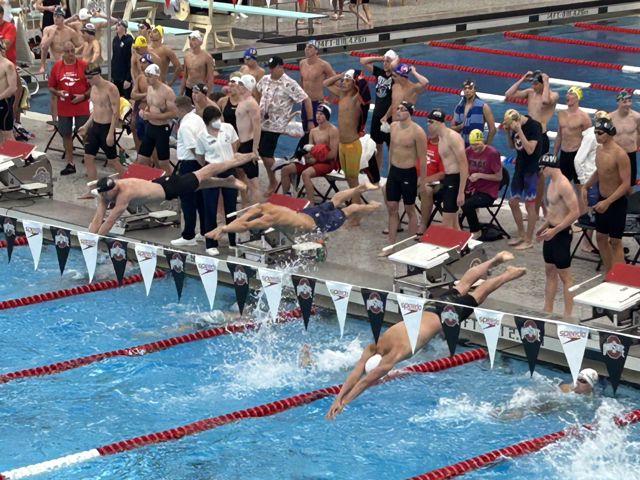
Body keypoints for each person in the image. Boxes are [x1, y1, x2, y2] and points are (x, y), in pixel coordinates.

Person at [326, 251, 526, 419]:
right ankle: (495, 260)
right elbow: (357, 373)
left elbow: (364, 381)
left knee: (478, 295)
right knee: (463, 284)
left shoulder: (392, 357)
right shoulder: (376, 345)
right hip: (431, 306)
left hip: (446, 316)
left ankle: (507, 274)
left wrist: (344, 402)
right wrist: (339, 398)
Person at [87, 157, 253, 236]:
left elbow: (109, 221)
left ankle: (237, 160)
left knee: (205, 172)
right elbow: (98, 217)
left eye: (115, 187)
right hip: (162, 184)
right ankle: (227, 181)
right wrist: (89, 237)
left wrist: (95, 241)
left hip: (170, 188)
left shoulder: (124, 194)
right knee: (199, 184)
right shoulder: (106, 194)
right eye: (111, 190)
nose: (115, 188)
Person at [206, 183, 381, 240]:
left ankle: (372, 206)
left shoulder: (269, 219)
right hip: (309, 213)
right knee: (334, 201)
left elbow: (245, 225)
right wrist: (223, 228)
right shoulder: (263, 206)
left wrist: (224, 228)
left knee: (349, 210)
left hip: (318, 224)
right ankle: (359, 188)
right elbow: (244, 219)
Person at [257, 56, 313, 195]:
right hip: (261, 123)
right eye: (270, 67)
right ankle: (283, 172)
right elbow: (257, 92)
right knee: (262, 153)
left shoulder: (289, 83)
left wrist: (310, 120)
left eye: (273, 67)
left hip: (276, 125)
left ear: (281, 66)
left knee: (265, 153)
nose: (271, 70)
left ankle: (277, 178)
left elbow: (306, 100)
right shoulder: (265, 79)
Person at [505, 70, 559, 215]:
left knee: (539, 175)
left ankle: (538, 209)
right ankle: (540, 207)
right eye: (532, 83)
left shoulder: (553, 95)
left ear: (542, 84)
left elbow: (545, 101)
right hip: (528, 135)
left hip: (541, 137)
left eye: (535, 83)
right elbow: (509, 94)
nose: (533, 86)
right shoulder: (530, 92)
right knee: (528, 172)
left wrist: (546, 81)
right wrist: (523, 78)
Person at [582, 117, 631, 272]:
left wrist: (608, 202)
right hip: (602, 200)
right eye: (595, 132)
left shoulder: (620, 155)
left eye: (600, 133)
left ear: (609, 134)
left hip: (616, 203)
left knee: (615, 241)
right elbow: (600, 171)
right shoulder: (599, 150)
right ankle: (610, 273)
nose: (597, 136)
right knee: (600, 238)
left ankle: (621, 277)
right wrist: (586, 186)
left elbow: (626, 184)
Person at [196, 106, 244, 256]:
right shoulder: (202, 136)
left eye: (219, 117)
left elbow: (235, 144)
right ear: (207, 122)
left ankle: (233, 241)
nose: (218, 121)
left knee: (231, 207)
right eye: (215, 119)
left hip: (229, 169)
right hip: (212, 171)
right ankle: (211, 243)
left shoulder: (228, 128)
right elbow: (200, 157)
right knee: (210, 207)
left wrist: (230, 160)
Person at [536, 154, 580, 318]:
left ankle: (568, 315)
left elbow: (575, 213)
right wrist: (544, 227)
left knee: (565, 276)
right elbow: (554, 210)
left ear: (549, 167)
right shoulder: (552, 182)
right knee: (549, 271)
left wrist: (555, 230)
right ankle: (547, 309)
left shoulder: (564, 185)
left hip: (561, 234)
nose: (541, 172)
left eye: (542, 169)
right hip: (551, 231)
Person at [381, 101, 426, 255]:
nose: (398, 111)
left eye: (402, 109)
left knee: (410, 209)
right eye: (398, 108)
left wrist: (422, 181)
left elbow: (423, 159)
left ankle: (411, 249)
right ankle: (391, 246)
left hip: (409, 174)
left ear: (410, 113)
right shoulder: (393, 126)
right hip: (394, 173)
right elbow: (392, 150)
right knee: (392, 208)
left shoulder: (418, 132)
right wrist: (389, 172)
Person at [279, 103, 339, 205]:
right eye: (317, 114)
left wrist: (316, 159)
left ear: (327, 116)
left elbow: (333, 154)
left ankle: (311, 205)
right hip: (314, 161)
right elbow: (309, 150)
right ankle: (286, 199)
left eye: (321, 114)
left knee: (305, 174)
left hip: (327, 163)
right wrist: (304, 156)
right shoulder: (313, 131)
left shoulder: (333, 130)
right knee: (285, 170)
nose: (318, 116)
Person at [323, 69, 366, 205]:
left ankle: (356, 207)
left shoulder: (356, 99)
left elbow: (364, 90)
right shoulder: (341, 95)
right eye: (343, 80)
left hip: (352, 145)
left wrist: (358, 78)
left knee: (353, 179)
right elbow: (326, 83)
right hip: (342, 145)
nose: (343, 83)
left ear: (354, 83)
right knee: (348, 178)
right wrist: (340, 75)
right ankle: (355, 203)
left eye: (347, 80)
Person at [504, 109, 544, 250]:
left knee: (530, 205)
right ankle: (521, 234)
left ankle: (529, 239)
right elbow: (511, 146)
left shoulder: (534, 126)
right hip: (520, 168)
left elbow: (530, 150)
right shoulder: (514, 125)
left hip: (531, 170)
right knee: (513, 202)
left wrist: (519, 130)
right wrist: (508, 132)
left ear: (518, 120)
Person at [170, 95, 207, 248]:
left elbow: (192, 147)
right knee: (200, 200)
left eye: (175, 109)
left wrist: (201, 163)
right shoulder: (198, 118)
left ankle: (189, 235)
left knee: (188, 201)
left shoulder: (185, 125)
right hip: (199, 163)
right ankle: (204, 232)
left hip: (190, 164)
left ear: (180, 108)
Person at [76, 63, 123, 181]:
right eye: (86, 78)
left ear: (97, 75)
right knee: (88, 158)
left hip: (106, 128)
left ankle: (129, 185)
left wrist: (111, 134)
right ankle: (92, 188)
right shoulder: (93, 88)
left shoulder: (111, 88)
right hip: (95, 128)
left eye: (89, 78)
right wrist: (86, 126)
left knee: (113, 161)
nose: (87, 81)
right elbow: (96, 110)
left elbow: (116, 113)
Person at [47, 41, 89, 174]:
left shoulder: (83, 65)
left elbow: (93, 87)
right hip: (64, 106)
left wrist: (83, 96)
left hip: (81, 105)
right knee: (66, 134)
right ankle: (70, 163)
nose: (71, 54)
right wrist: (58, 93)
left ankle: (89, 162)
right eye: (67, 51)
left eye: (72, 51)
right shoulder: (57, 67)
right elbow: (51, 87)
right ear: (63, 53)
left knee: (85, 134)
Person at [425, 108, 467, 230]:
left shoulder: (452, 137)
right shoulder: (441, 138)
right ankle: (462, 243)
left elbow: (464, 165)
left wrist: (461, 192)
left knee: (447, 225)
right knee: (454, 225)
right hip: (447, 180)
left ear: (440, 122)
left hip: (455, 181)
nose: (428, 124)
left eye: (431, 122)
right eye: (428, 121)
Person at [553, 86, 592, 216]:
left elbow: (590, 140)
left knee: (580, 188)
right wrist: (554, 155)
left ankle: (583, 217)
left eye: (571, 94)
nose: (567, 96)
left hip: (578, 156)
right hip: (564, 154)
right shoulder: (561, 114)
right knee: (560, 187)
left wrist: (588, 160)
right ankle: (562, 216)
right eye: (567, 94)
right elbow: (559, 136)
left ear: (577, 98)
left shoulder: (584, 117)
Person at [459, 129, 502, 238]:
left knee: (467, 204)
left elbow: (499, 177)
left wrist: (480, 175)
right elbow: (464, 169)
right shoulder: (468, 151)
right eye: (473, 144)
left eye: (477, 144)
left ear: (483, 141)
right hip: (473, 189)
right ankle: (457, 226)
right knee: (454, 197)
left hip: (488, 193)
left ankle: (476, 231)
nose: (475, 147)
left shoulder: (492, 153)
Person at [360, 50, 397, 173]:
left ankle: (391, 175)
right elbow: (363, 61)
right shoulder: (379, 72)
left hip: (389, 118)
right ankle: (377, 174)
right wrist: (381, 58)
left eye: (388, 61)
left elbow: (395, 101)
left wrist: (387, 116)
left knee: (392, 148)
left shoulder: (396, 77)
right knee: (377, 146)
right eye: (385, 61)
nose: (385, 63)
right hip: (377, 116)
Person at [136, 63, 176, 174]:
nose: (147, 79)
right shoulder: (149, 89)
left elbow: (173, 113)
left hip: (162, 130)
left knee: (163, 163)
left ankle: (170, 183)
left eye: (149, 76)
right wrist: (145, 111)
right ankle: (147, 181)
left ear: (157, 76)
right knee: (142, 160)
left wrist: (152, 116)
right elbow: (150, 106)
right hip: (150, 128)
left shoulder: (167, 92)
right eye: (146, 76)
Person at [298, 39, 335, 141]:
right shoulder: (302, 63)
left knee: (318, 135)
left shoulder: (323, 65)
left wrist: (330, 101)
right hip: (305, 103)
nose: (307, 49)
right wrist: (301, 97)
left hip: (317, 104)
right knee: (306, 131)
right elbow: (302, 81)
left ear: (316, 50)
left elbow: (336, 81)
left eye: (310, 47)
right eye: (306, 47)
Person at [234, 73, 261, 205]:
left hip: (249, 145)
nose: (237, 86)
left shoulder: (251, 103)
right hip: (242, 144)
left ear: (245, 87)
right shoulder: (243, 101)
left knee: (254, 182)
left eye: (240, 84)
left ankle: (258, 211)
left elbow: (257, 127)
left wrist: (255, 149)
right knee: (243, 176)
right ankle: (247, 205)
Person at [418, 120, 445, 233]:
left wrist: (424, 180)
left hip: (436, 182)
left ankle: (423, 224)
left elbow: (443, 174)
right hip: (417, 179)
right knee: (388, 187)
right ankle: (396, 221)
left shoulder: (443, 148)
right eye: (429, 129)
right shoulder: (423, 143)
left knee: (426, 189)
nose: (430, 131)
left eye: (434, 129)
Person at [452, 79, 496, 146]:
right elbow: (452, 128)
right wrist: (460, 127)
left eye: (470, 88)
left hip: (476, 147)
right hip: (461, 146)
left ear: (475, 90)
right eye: (465, 88)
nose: (467, 90)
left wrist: (487, 146)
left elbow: (492, 130)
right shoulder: (459, 107)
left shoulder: (483, 107)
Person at [610, 91, 640, 189]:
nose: (628, 104)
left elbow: (639, 133)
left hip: (631, 154)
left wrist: (636, 147)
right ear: (618, 102)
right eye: (624, 102)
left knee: (630, 184)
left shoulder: (636, 117)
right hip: (616, 155)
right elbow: (606, 137)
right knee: (614, 183)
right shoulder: (610, 118)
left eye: (629, 101)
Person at [181, 30, 215, 100]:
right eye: (190, 40)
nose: (191, 42)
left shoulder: (207, 57)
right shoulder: (187, 56)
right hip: (188, 88)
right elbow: (185, 76)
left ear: (200, 42)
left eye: (194, 40)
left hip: (200, 89)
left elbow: (210, 78)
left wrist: (208, 95)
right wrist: (181, 93)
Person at [110, 19, 133, 99]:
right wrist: (112, 74)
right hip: (115, 76)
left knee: (126, 100)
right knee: (116, 99)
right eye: (117, 25)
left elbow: (130, 60)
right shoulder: (115, 40)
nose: (117, 26)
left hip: (124, 77)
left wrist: (128, 79)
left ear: (124, 27)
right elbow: (114, 57)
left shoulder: (129, 41)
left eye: (119, 25)